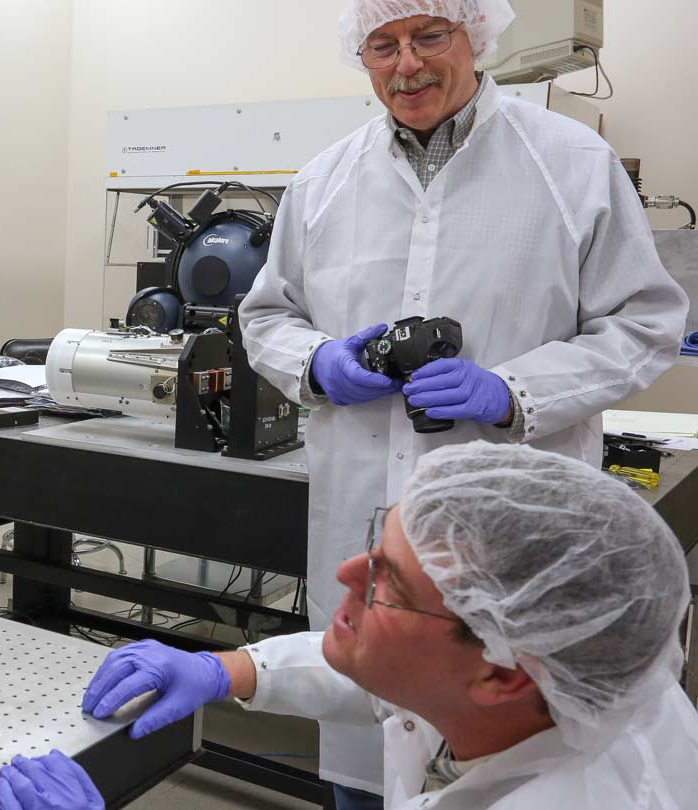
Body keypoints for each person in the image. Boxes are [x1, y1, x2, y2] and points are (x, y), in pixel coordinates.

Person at [235, 1, 689, 803]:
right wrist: (320, 360)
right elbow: (268, 314)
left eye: (428, 36)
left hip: (512, 558)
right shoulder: (323, 180)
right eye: (383, 44)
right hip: (367, 521)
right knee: (365, 757)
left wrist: (515, 391)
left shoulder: (572, 163)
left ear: (475, 38)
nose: (406, 63)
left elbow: (647, 322)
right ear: (362, 56)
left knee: (517, 756)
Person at [0, 442, 698, 809]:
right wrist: (230, 669)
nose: (345, 575)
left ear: (501, 672)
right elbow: (405, 680)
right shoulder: (585, 675)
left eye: (387, 583)